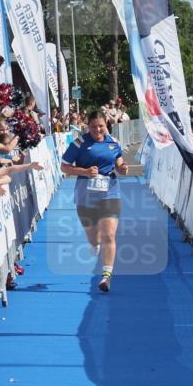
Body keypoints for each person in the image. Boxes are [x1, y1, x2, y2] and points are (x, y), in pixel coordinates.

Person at [60, 110, 129, 293]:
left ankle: (106, 276)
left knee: (109, 235)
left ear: (106, 124)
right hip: (85, 194)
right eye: (93, 127)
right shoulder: (79, 143)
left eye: (101, 126)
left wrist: (122, 168)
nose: (98, 130)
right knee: (93, 237)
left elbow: (119, 163)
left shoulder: (113, 142)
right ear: (87, 126)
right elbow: (64, 167)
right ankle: (94, 244)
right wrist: (84, 172)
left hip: (110, 191)